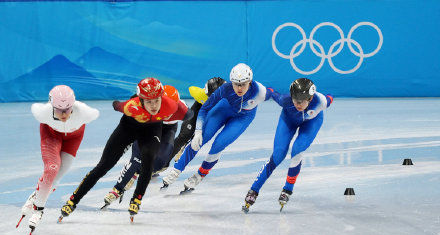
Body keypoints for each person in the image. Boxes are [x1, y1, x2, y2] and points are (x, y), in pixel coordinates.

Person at [58, 78, 192, 222]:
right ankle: (73, 200)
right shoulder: (131, 106)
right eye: (148, 101)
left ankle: (136, 199)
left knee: (149, 161)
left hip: (152, 129)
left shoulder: (172, 106)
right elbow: (116, 105)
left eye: (156, 101)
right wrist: (117, 104)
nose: (153, 105)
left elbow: (189, 115)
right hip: (128, 128)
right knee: (103, 166)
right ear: (140, 100)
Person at [104, 78, 226, 205]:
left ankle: (141, 171)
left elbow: (191, 125)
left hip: (170, 128)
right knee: (138, 157)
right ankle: (120, 186)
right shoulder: (151, 106)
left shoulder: (183, 109)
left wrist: (188, 140)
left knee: (163, 162)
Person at [162, 63, 272, 193]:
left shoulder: (260, 91)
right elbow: (204, 109)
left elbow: (279, 98)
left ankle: (199, 175)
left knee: (219, 144)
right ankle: (176, 170)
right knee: (200, 139)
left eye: (243, 84)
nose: (239, 88)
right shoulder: (225, 89)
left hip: (243, 118)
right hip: (224, 110)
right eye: (236, 84)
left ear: (250, 82)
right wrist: (197, 131)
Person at [242, 78, 334, 213]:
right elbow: (272, 92)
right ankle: (254, 190)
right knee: (278, 154)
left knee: (297, 150)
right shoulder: (285, 100)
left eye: (302, 101)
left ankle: (288, 188)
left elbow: (331, 97)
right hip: (288, 120)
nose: (298, 104)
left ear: (310, 98)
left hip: (311, 123)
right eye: (295, 100)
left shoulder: (321, 102)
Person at [16, 85, 99, 234]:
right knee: (52, 168)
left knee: (57, 177)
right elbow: (34, 107)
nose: (64, 114)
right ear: (52, 106)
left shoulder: (84, 111)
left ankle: (35, 196)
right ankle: (39, 210)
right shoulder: (43, 112)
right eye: (59, 109)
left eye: (67, 109)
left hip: (73, 139)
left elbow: (96, 113)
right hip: (51, 135)